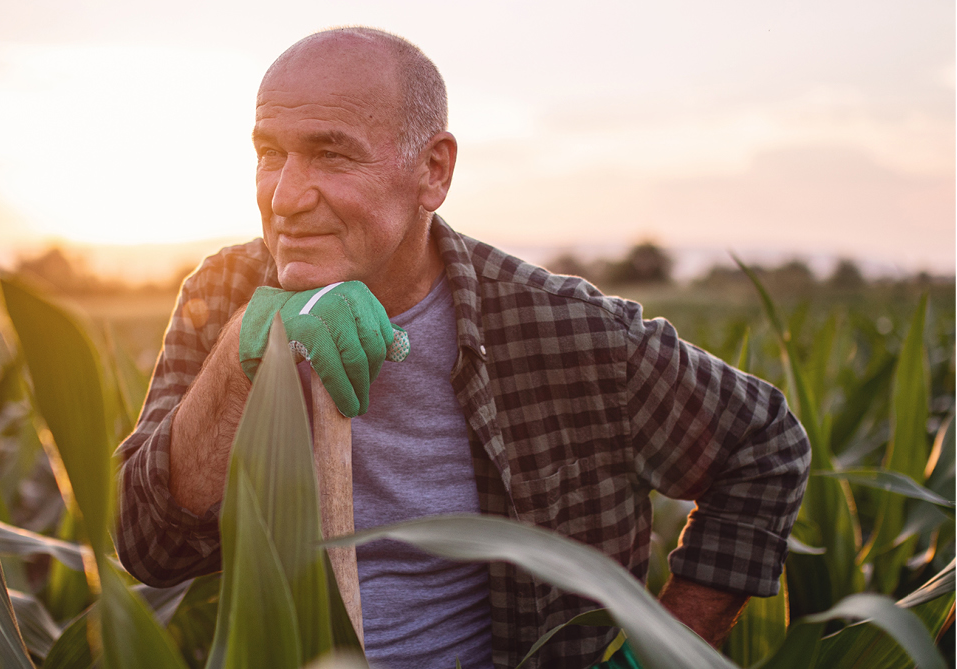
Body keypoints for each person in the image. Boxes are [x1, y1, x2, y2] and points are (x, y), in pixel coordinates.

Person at [112, 27, 808, 669]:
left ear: (433, 171)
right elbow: (151, 546)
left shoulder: (563, 331)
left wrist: (655, 656)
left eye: (331, 153)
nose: (286, 196)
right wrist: (244, 355)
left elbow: (765, 447)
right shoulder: (228, 291)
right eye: (270, 154)